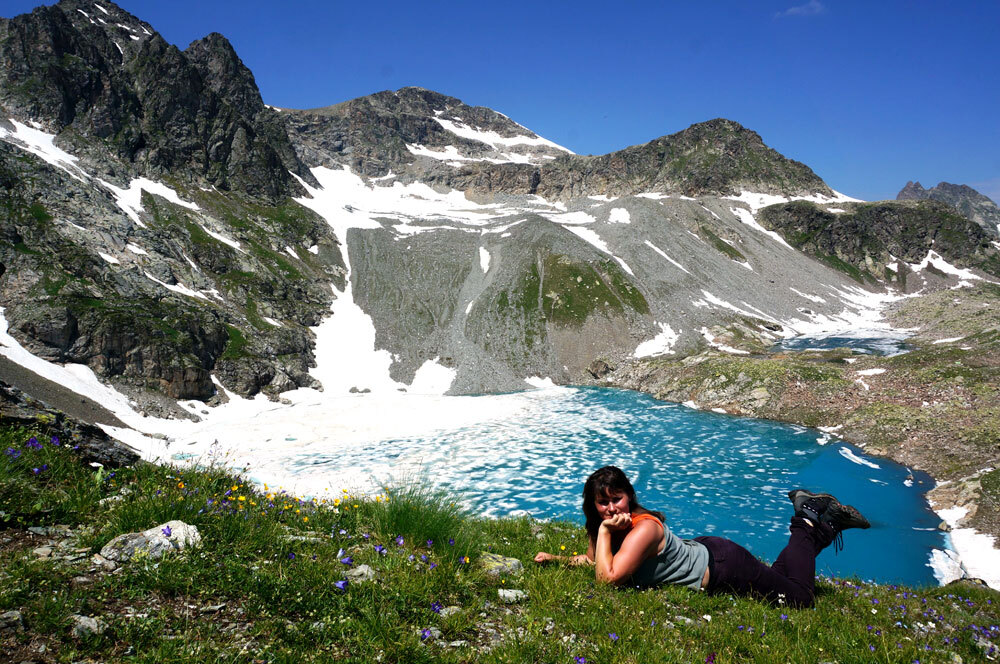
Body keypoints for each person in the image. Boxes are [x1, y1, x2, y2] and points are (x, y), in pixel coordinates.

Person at [533, 465, 870, 608]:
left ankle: (808, 519)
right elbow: (595, 562)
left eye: (616, 499)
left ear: (629, 496)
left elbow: (609, 579)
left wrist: (605, 530)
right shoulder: (603, 527)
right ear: (593, 504)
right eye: (602, 502)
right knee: (779, 578)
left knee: (801, 599)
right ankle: (826, 524)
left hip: (725, 567)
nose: (610, 508)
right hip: (713, 554)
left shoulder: (643, 528)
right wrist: (558, 560)